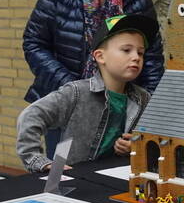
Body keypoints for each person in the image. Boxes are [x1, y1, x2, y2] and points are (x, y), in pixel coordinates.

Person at [23, 0, 165, 158]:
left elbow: (151, 56)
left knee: (113, 178)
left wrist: (146, 115)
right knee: (61, 175)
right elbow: (34, 44)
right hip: (66, 106)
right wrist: (74, 90)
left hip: (121, 109)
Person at [17, 14, 156, 172]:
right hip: (67, 178)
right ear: (100, 56)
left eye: (141, 52)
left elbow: (158, 142)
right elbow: (31, 116)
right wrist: (38, 161)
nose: (136, 57)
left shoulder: (144, 99)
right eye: (126, 50)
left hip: (115, 183)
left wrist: (136, 147)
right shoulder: (76, 92)